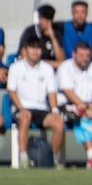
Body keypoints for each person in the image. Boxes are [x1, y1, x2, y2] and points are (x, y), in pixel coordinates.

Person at [7, 35, 64, 167]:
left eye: (38, 48)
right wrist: (21, 108)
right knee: (25, 118)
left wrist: (55, 110)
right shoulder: (16, 67)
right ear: (25, 50)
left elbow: (52, 92)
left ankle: (50, 159)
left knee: (59, 123)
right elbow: (11, 91)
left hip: (42, 109)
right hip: (22, 107)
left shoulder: (47, 68)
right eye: (32, 48)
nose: (35, 51)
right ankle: (23, 159)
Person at [55, 39, 92, 169]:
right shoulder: (65, 67)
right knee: (80, 114)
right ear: (74, 55)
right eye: (81, 55)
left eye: (87, 56)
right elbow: (69, 93)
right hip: (66, 104)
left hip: (87, 104)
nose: (84, 59)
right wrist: (86, 109)